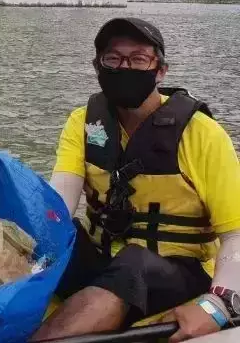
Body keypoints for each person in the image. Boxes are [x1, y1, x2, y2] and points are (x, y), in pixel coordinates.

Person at [18, 18, 240, 342]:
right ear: (98, 67)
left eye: (138, 59)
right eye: (113, 59)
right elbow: (57, 206)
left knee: (133, 263)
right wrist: (6, 172)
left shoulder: (203, 135)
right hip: (103, 259)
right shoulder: (83, 123)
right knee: (59, 238)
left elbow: (235, 233)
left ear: (160, 71)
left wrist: (218, 304)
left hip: (175, 271)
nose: (124, 67)